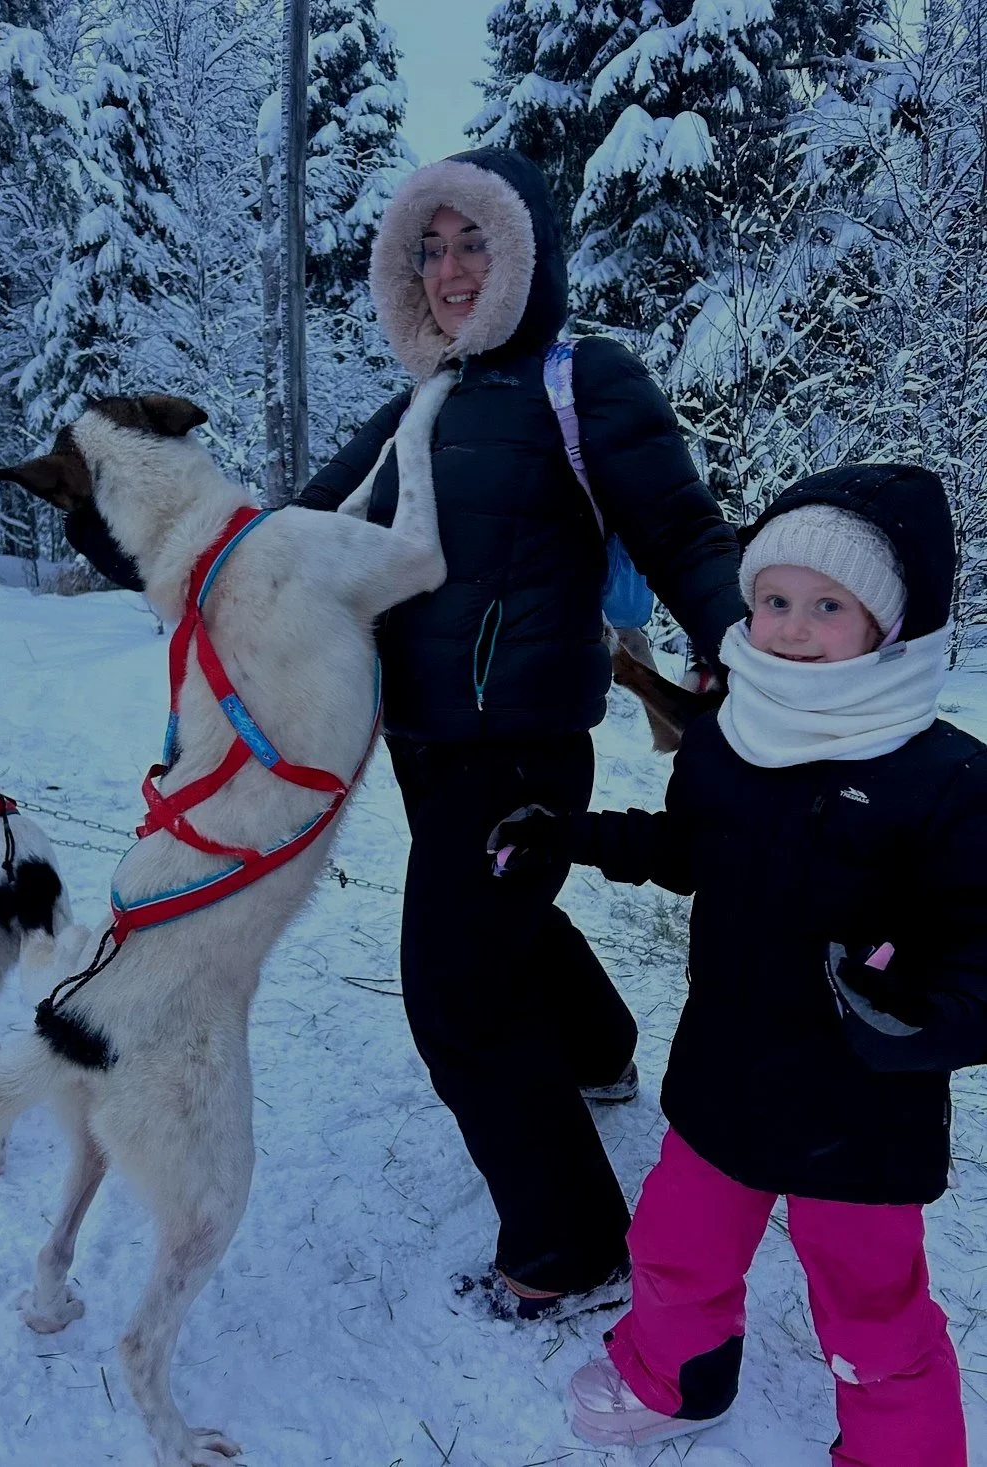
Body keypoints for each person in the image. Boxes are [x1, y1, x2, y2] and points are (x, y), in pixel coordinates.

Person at [64, 146, 747, 1318]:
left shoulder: (586, 383)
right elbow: (287, 531)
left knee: (452, 993)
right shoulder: (417, 403)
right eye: (427, 248)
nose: (447, 269)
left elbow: (681, 530)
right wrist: (135, 527)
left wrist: (757, 639)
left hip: (521, 740)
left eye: (472, 241)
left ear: (525, 249)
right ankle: (597, 1053)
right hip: (425, 742)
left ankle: (571, 1247)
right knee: (498, 916)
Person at [490, 464, 982, 1460]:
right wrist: (571, 838)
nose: (790, 626)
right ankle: (676, 1379)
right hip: (721, 1073)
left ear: (892, 625)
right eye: (771, 600)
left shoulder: (944, 780)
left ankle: (902, 1447)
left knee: (871, 1310)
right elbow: (688, 849)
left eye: (826, 605)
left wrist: (922, 1013)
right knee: (673, 1251)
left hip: (858, 1111)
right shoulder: (728, 740)